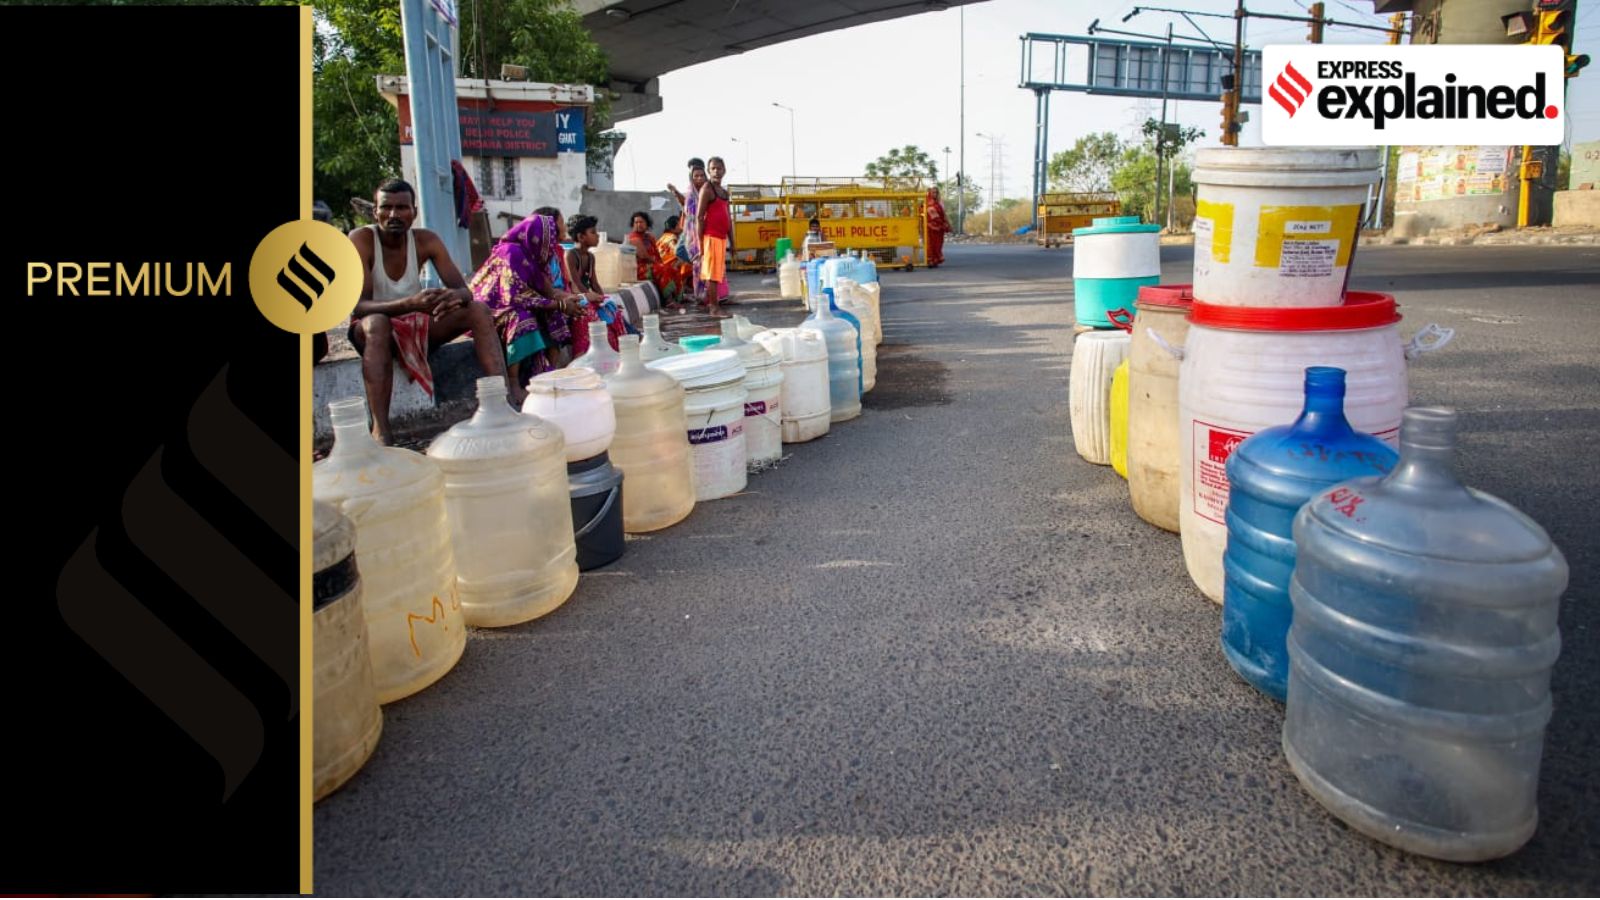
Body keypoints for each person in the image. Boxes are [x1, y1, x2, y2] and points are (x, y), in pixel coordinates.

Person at [347, 179, 515, 444]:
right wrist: (409, 304)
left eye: (402, 208)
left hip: (416, 323)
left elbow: (465, 291)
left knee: (478, 310)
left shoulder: (426, 240)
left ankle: (501, 404)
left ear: (414, 211)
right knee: (377, 322)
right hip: (374, 332)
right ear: (374, 211)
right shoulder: (361, 240)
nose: (393, 215)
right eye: (386, 207)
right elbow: (359, 305)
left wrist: (452, 297)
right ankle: (381, 430)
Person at [468, 214, 585, 389]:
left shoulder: (532, 257)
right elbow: (514, 297)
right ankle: (513, 383)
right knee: (522, 319)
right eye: (551, 241)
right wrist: (560, 304)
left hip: (517, 301)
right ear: (537, 238)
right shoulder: (510, 252)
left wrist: (567, 299)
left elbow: (548, 290)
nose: (552, 247)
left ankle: (547, 373)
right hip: (492, 308)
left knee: (555, 314)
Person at [625, 210, 690, 307]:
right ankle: (669, 300)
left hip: (652, 265)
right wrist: (659, 264)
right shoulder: (634, 238)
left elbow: (657, 254)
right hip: (640, 269)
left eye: (641, 222)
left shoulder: (649, 237)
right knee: (663, 269)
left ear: (647, 224)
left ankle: (679, 297)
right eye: (636, 222)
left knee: (673, 269)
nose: (638, 224)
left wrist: (660, 263)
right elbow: (643, 256)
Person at [667, 158, 708, 311]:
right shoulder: (690, 192)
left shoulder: (707, 190)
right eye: (693, 172)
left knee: (701, 262)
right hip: (690, 231)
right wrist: (675, 192)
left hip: (703, 230)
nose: (697, 177)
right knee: (690, 258)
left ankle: (705, 294)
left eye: (700, 174)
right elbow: (685, 204)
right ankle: (697, 293)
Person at [696, 156, 733, 318]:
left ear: (724, 170)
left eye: (719, 168)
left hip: (721, 237)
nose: (716, 171)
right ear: (709, 171)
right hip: (711, 237)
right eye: (713, 169)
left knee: (717, 274)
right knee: (711, 274)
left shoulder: (724, 193)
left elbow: (728, 217)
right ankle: (714, 308)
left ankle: (715, 304)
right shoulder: (707, 189)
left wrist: (733, 241)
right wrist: (700, 243)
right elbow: (699, 217)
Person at [924, 187, 951, 269]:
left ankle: (936, 260)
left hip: (939, 228)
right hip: (930, 227)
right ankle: (930, 261)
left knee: (938, 244)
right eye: (933, 192)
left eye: (936, 192)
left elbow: (944, 214)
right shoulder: (926, 203)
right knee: (930, 244)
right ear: (930, 193)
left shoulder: (940, 203)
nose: (934, 194)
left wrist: (948, 224)